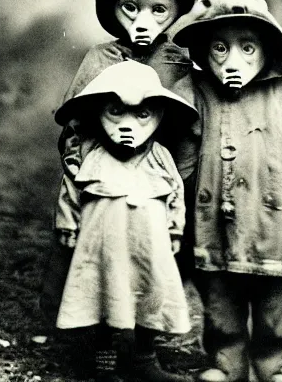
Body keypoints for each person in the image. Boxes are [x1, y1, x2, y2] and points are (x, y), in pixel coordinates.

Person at [170, 0, 282, 382]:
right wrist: (171, 211)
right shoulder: (194, 91)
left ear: (268, 49)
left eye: (247, 48)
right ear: (204, 51)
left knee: (278, 297)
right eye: (220, 49)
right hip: (213, 222)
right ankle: (226, 362)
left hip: (272, 219)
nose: (233, 62)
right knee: (219, 295)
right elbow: (179, 158)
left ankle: (279, 363)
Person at [54, 61, 198, 382]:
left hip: (150, 246)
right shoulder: (90, 154)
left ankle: (143, 360)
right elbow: (71, 189)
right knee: (104, 298)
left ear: (159, 114)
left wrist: (174, 228)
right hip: (103, 247)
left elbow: (175, 192)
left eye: (142, 114)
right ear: (97, 112)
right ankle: (104, 366)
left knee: (150, 296)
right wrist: (67, 223)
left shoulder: (160, 156)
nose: (128, 125)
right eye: (116, 113)